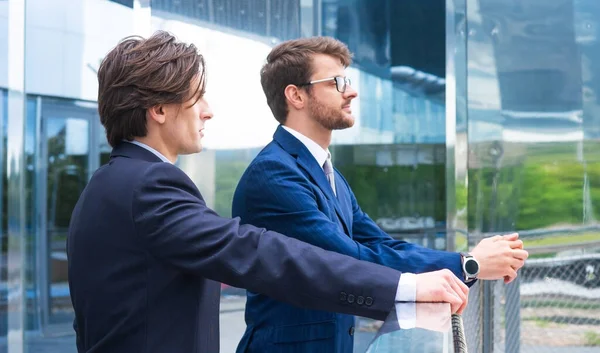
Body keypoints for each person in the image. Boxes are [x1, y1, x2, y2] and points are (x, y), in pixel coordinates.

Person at [66, 31, 469, 353]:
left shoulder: (105, 187)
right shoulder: (149, 186)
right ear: (159, 109)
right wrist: (407, 287)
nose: (207, 111)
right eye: (196, 97)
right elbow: (259, 253)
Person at [231, 36, 529, 353]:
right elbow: (346, 259)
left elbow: (379, 244)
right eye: (337, 82)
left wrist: (465, 263)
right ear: (296, 95)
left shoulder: (325, 171)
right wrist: (470, 264)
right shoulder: (274, 175)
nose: (352, 91)